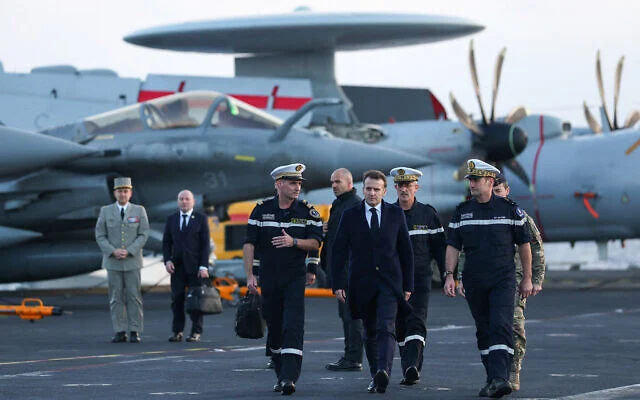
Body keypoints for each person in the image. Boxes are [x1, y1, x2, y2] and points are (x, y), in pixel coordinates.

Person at [443, 159, 533, 398]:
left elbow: (525, 245)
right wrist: (449, 276)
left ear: (490, 182)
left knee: (500, 324)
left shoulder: (510, 209)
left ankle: (501, 378)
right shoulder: (462, 211)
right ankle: (493, 379)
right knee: (483, 330)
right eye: (470, 180)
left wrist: (527, 278)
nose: (471, 184)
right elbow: (453, 246)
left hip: (503, 279)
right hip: (474, 279)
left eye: (476, 179)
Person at [456, 172, 546, 391]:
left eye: (499, 191)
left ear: (507, 191)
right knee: (488, 325)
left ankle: (512, 372)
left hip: (513, 278)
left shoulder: (518, 216)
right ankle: (496, 375)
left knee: (513, 324)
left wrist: (534, 279)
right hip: (484, 278)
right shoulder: (476, 214)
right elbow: (466, 250)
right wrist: (459, 276)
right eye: (493, 191)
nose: (495, 195)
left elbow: (535, 248)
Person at [331, 169, 414, 394]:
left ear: (385, 191)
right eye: (368, 189)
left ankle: (384, 370)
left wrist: (408, 285)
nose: (372, 193)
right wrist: (337, 284)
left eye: (376, 189)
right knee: (369, 331)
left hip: (390, 283)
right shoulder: (350, 215)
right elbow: (338, 251)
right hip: (361, 284)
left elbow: (406, 252)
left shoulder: (396, 214)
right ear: (363, 189)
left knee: (386, 326)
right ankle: (376, 374)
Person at [243, 163, 323, 396]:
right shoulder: (260, 210)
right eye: (292, 183)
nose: (297, 187)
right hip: (269, 278)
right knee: (275, 328)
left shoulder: (308, 212)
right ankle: (281, 373)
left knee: (293, 326)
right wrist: (250, 275)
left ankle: (289, 377)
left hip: (294, 278)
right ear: (279, 184)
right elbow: (249, 244)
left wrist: (294, 242)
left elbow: (316, 242)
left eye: (299, 183)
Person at [390, 167, 446, 386]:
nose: (404, 189)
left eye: (408, 185)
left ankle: (412, 366)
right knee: (399, 325)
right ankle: (409, 366)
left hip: (420, 278)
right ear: (395, 187)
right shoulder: (388, 214)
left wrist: (448, 276)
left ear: (416, 187)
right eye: (400, 185)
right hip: (395, 279)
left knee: (416, 320)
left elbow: (440, 248)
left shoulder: (428, 214)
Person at [95, 177, 150, 343]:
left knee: (134, 296)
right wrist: (113, 251)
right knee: (115, 297)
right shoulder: (106, 211)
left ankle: (135, 330)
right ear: (115, 193)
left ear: (130, 193)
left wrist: (130, 250)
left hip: (132, 261)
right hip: (113, 262)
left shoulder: (139, 211)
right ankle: (119, 330)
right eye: (120, 191)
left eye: (126, 191)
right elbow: (100, 235)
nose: (123, 194)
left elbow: (143, 234)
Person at [323, 168, 365, 372]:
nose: (333, 185)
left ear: (349, 184)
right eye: (332, 182)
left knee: (352, 315)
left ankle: (354, 357)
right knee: (346, 315)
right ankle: (350, 355)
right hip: (341, 271)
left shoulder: (354, 205)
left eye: (337, 182)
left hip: (350, 272)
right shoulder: (339, 205)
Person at [162, 190, 211, 343]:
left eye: (187, 199)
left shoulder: (201, 219)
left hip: (195, 267)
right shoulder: (172, 219)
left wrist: (204, 266)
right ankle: (177, 331)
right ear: (178, 201)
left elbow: (205, 244)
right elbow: (166, 242)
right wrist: (167, 260)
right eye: (181, 199)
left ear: (193, 202)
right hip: (177, 267)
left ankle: (196, 331)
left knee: (195, 300)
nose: (184, 202)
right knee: (177, 299)